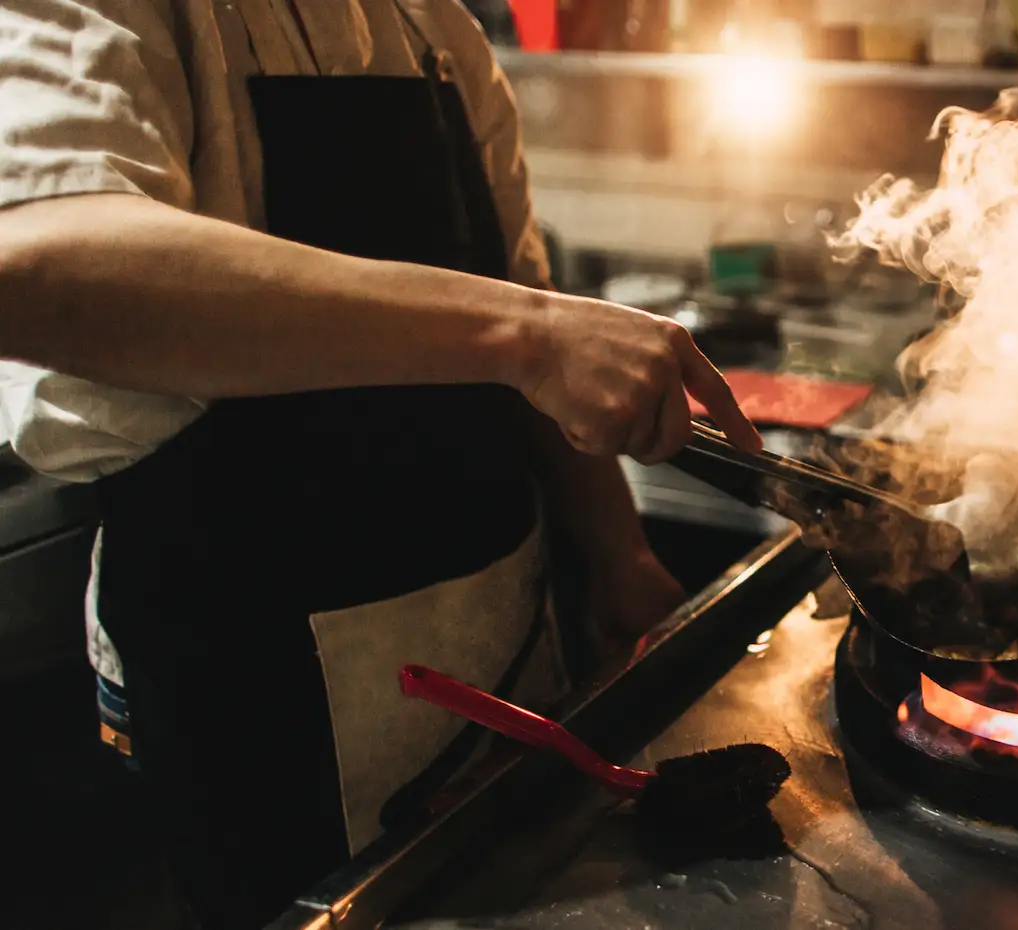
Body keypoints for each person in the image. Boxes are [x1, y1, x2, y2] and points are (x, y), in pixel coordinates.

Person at [0, 2, 763, 927]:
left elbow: (531, 299)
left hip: (499, 637)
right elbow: (40, 262)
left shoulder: (434, 24)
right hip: (257, 677)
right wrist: (525, 334)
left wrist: (619, 557)